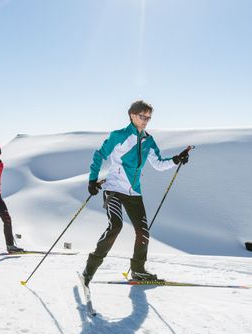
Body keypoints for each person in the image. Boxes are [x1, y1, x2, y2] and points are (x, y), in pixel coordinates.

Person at [81, 100, 192, 285]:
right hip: (114, 189)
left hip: (134, 193)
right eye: (143, 116)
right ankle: (89, 269)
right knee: (115, 226)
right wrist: (92, 179)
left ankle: (138, 271)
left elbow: (158, 164)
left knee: (143, 232)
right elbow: (99, 155)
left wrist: (176, 159)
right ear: (132, 115)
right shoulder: (119, 136)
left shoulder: (148, 140)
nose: (146, 121)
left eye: (149, 117)